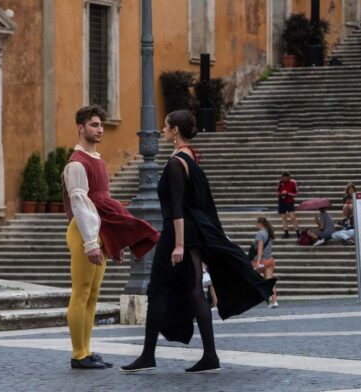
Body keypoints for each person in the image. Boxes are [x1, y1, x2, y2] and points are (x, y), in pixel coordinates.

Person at [121, 110, 276, 373]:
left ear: (176, 130)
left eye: (166, 125)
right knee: (193, 290)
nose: (162, 129)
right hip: (189, 234)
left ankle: (148, 355)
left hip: (176, 233)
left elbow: (179, 208)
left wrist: (179, 244)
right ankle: (209, 355)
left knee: (157, 289)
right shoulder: (191, 157)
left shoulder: (175, 163)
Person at [62, 106, 160, 369]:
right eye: (94, 124)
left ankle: (86, 349)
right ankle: (78, 354)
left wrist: (111, 239)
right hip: (85, 233)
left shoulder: (97, 160)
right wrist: (91, 242)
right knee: (81, 292)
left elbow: (103, 206)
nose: (100, 129)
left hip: (98, 232)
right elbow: (81, 206)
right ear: (81, 128)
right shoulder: (76, 164)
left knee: (93, 294)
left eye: (101, 125)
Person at [251, 217, 278, 308]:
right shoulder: (269, 232)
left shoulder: (260, 234)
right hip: (269, 260)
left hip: (261, 261)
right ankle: (274, 301)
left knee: (249, 277)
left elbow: (260, 249)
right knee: (270, 280)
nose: (256, 225)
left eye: (257, 223)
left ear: (260, 223)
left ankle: (252, 298)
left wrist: (258, 262)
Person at [277, 172, 300, 238]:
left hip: (289, 201)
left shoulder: (293, 182)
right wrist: (278, 194)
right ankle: (286, 233)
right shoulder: (280, 182)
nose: (285, 179)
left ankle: (298, 232)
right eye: (283, 178)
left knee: (293, 217)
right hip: (281, 201)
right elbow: (278, 190)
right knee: (283, 218)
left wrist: (287, 193)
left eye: (286, 178)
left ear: (289, 177)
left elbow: (296, 193)